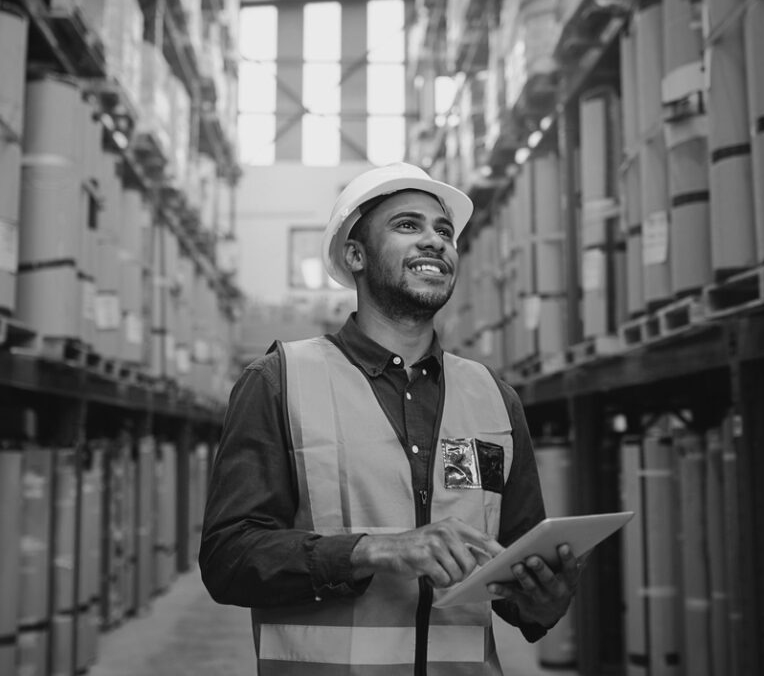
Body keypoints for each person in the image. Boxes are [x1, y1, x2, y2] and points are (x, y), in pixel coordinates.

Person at [200, 162, 582, 675]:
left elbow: (516, 585)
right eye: (408, 225)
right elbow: (228, 559)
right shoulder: (279, 380)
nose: (435, 241)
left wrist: (545, 597)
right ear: (355, 256)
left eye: (443, 231)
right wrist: (371, 551)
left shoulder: (494, 398)